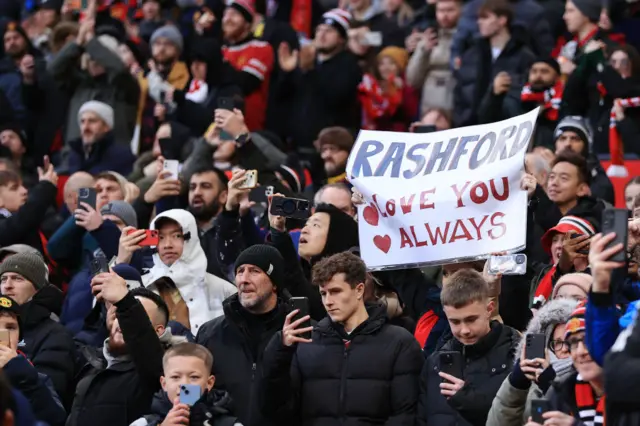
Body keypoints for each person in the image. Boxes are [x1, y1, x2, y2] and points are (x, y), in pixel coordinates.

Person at [262, 251, 423, 424]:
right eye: (323, 294)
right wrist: (281, 351)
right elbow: (280, 409)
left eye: (335, 291)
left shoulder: (399, 342)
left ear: (359, 290)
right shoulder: (305, 342)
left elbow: (405, 415)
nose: (328, 301)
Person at [196, 244, 288, 426]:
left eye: (254, 271)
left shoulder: (300, 333)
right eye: (239, 271)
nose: (243, 279)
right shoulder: (209, 333)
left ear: (275, 283)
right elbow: (190, 387)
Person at [418, 268, 519, 426]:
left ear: (489, 309)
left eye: (471, 319)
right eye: (455, 322)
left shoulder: (515, 356)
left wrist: (468, 400)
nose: (464, 330)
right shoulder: (434, 363)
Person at [67, 278, 166, 426]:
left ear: (158, 331)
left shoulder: (162, 371)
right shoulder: (89, 365)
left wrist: (125, 301)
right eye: (119, 314)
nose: (122, 322)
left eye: (131, 317)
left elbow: (146, 346)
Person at [118, 209, 237, 333]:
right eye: (161, 237)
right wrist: (121, 262)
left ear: (191, 238)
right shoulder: (141, 287)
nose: (167, 245)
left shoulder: (224, 290)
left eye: (177, 236)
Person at [486, 298, 578, 426]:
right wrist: (515, 385)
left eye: (571, 342)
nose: (564, 349)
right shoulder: (532, 380)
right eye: (558, 343)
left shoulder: (587, 380)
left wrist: (551, 386)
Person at [0, 252, 75, 406]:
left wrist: (17, 367)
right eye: (3, 279)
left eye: (17, 278)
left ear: (37, 288)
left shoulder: (55, 335)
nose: (7, 285)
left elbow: (50, 401)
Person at [454, 0, 535, 127]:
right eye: (479, 18)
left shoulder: (524, 55)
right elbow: (460, 92)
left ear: (502, 20)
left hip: (504, 128)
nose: (479, 22)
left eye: (485, 17)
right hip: (469, 128)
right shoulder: (472, 54)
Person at [526, 303, 605, 426]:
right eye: (573, 343)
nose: (580, 351)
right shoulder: (561, 391)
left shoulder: (633, 392)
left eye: (588, 340)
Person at [130, 342, 241, 426]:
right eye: (175, 377)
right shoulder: (143, 423)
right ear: (164, 384)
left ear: (209, 382)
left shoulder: (229, 424)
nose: (184, 384)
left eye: (194, 377)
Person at [0, 295, 66, 425]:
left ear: (19, 337)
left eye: (10, 327)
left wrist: (25, 378)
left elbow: (55, 420)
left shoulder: (34, 376)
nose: (2, 334)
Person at [63, 100, 136, 176]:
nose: (86, 127)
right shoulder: (75, 153)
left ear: (106, 127)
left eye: (92, 121)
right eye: (82, 121)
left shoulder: (121, 156)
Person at [553, 116, 614, 204]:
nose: (567, 144)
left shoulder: (598, 178)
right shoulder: (544, 168)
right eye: (562, 138)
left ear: (586, 146)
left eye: (575, 139)